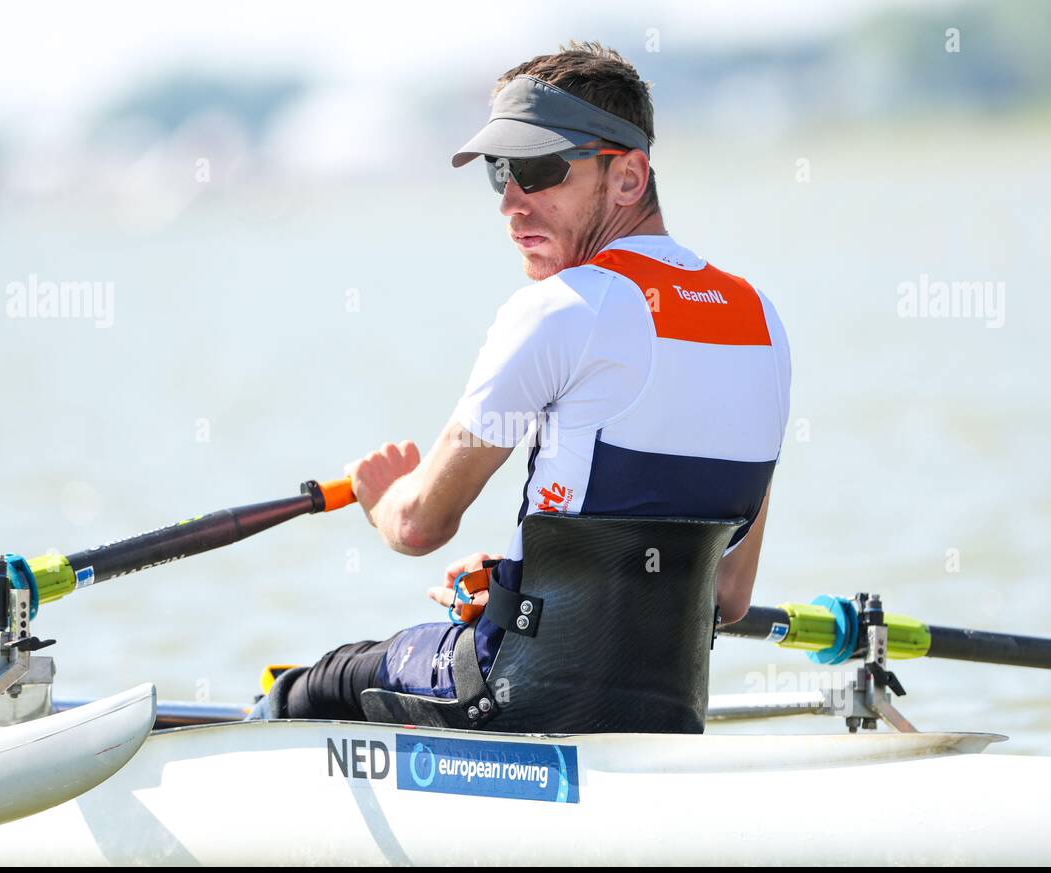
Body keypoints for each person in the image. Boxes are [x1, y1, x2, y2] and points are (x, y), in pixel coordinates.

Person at [250, 40, 791, 723]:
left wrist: (379, 494)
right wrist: (532, 583)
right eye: (498, 173)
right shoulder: (760, 318)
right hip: (668, 707)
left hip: (512, 693)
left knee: (313, 685)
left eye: (538, 169)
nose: (510, 202)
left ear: (628, 177)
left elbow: (420, 526)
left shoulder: (561, 308)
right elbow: (729, 597)